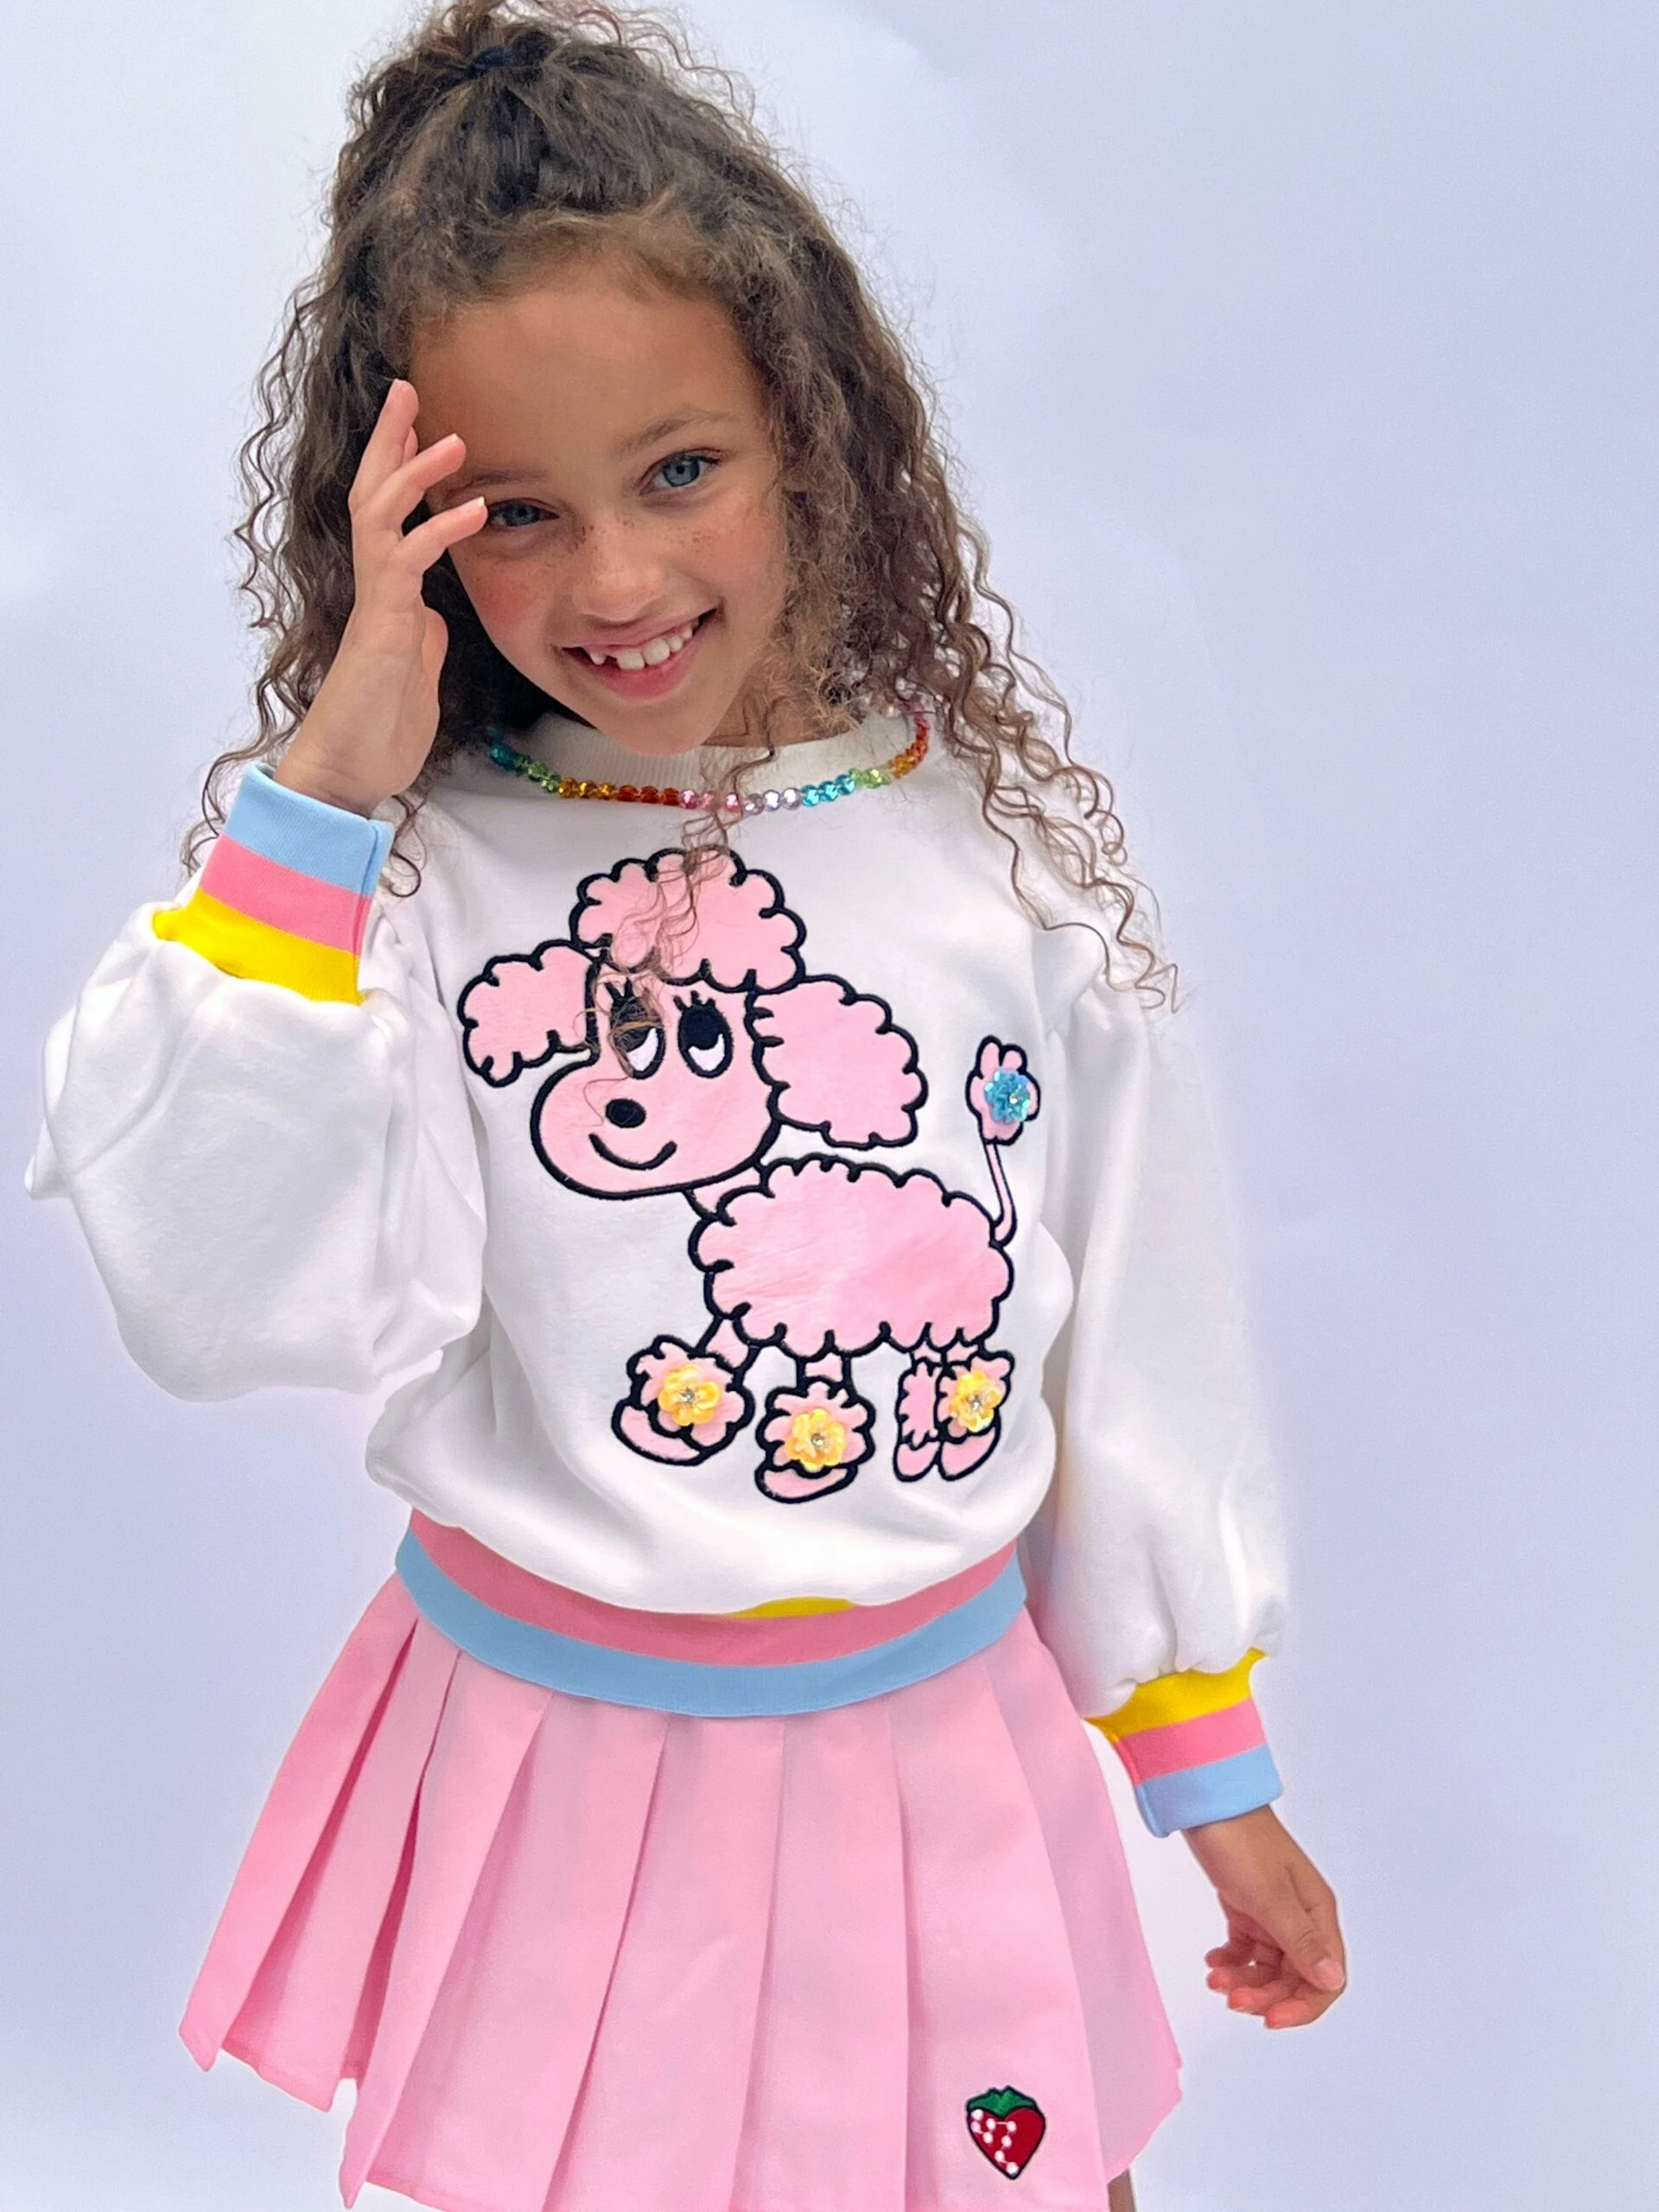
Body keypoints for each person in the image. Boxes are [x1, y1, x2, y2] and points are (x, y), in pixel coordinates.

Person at [28, 6, 1344, 2209]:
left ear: (808, 425)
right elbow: (229, 1291)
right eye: (517, 515)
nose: (618, 584)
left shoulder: (992, 858)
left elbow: (1136, 1340)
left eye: (677, 471)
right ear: (408, 525)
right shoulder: (404, 888)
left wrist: (1205, 1761)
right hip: (562, 1781)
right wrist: (332, 780)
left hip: (939, 1763)